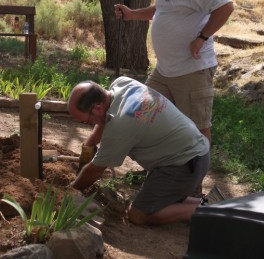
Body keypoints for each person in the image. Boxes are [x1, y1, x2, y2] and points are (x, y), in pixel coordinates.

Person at [114, 0, 234, 145]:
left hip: (192, 70)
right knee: (146, 115)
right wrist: (132, 15)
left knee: (197, 128)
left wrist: (202, 37)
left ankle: (195, 177)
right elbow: (162, 10)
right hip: (164, 70)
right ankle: (162, 171)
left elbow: (225, 7)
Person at [68, 76, 210, 225]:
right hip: (196, 151)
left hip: (184, 165)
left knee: (138, 214)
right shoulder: (122, 84)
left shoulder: (120, 127)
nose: (87, 124)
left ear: (97, 108)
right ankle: (204, 201)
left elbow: (95, 171)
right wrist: (90, 144)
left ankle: (208, 211)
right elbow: (105, 120)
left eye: (85, 121)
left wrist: (71, 190)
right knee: (161, 197)